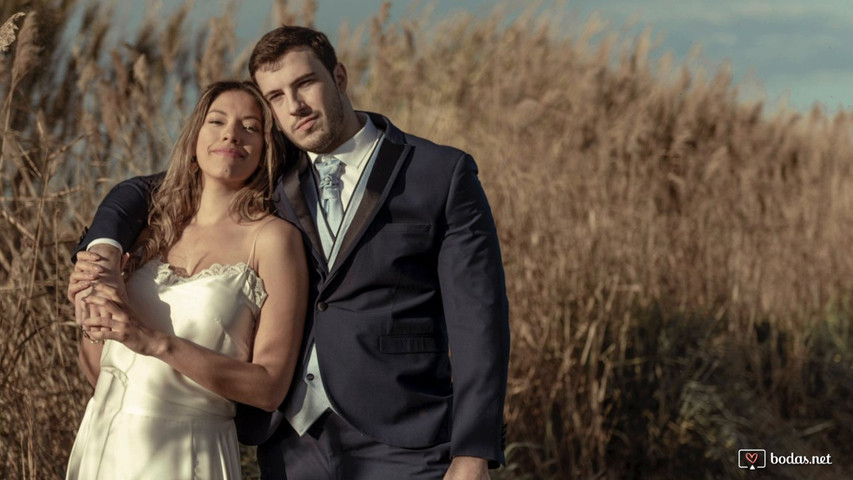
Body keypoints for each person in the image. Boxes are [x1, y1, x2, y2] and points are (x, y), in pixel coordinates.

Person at [69, 26, 510, 480]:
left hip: (405, 437)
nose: (294, 106)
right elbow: (145, 188)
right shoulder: (269, 170)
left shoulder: (437, 172)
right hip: (291, 445)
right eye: (276, 96)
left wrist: (473, 451)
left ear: (338, 76)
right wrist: (102, 251)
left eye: (305, 84)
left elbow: (481, 321)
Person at [65, 80, 308, 480]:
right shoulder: (152, 229)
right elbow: (99, 371)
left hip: (192, 451)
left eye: (250, 126)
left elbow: (269, 388)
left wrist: (156, 342)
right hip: (105, 441)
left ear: (268, 147)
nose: (232, 133)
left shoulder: (274, 240)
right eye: (217, 121)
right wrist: (92, 322)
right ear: (195, 135)